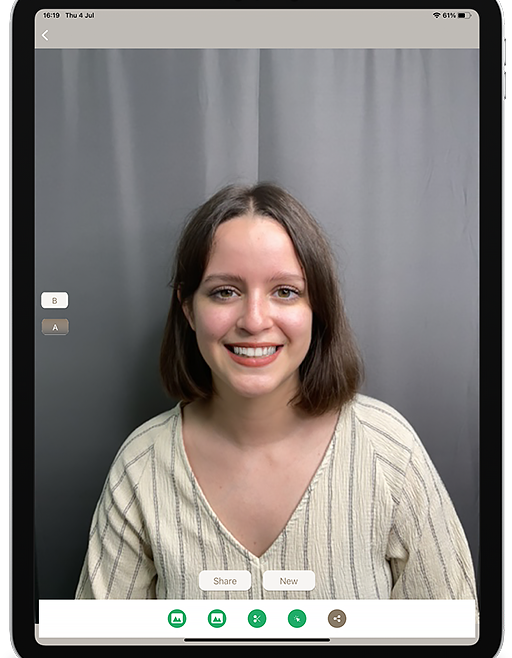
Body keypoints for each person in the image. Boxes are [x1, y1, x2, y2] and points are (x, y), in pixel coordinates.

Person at [76, 182, 477, 601]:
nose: (254, 320)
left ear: (317, 308)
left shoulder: (389, 451)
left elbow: (454, 632)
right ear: (188, 308)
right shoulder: (141, 466)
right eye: (225, 292)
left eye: (285, 291)